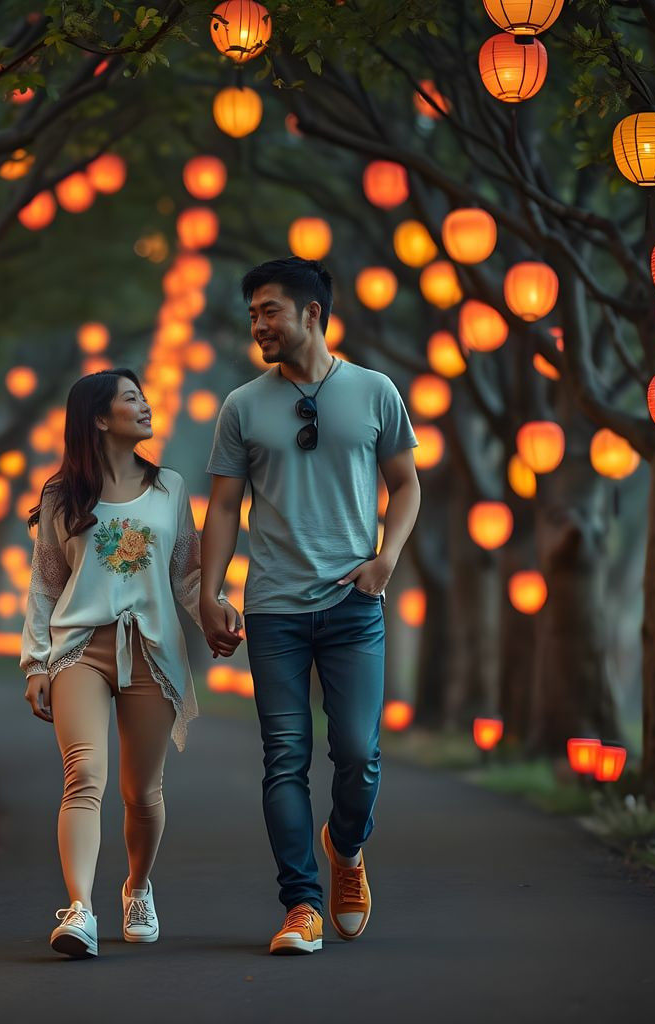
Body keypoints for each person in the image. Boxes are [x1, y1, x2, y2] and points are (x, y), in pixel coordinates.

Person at [200, 257, 421, 955]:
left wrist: (386, 559)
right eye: (253, 315)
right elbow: (225, 506)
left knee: (358, 753)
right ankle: (301, 905)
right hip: (274, 612)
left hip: (355, 605)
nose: (259, 325)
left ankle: (347, 849)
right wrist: (211, 592)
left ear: (312, 313)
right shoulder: (242, 405)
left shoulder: (376, 392)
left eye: (270, 311)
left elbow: (406, 485)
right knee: (284, 756)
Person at [21, 368, 242, 959]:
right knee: (83, 776)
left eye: (144, 398)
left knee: (142, 792)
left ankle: (137, 889)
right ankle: (79, 909)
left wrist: (216, 613)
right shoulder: (60, 496)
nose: (146, 407)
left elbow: (188, 574)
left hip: (152, 649)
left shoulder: (170, 487)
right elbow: (45, 586)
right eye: (132, 399)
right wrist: (36, 662)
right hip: (79, 651)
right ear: (99, 418)